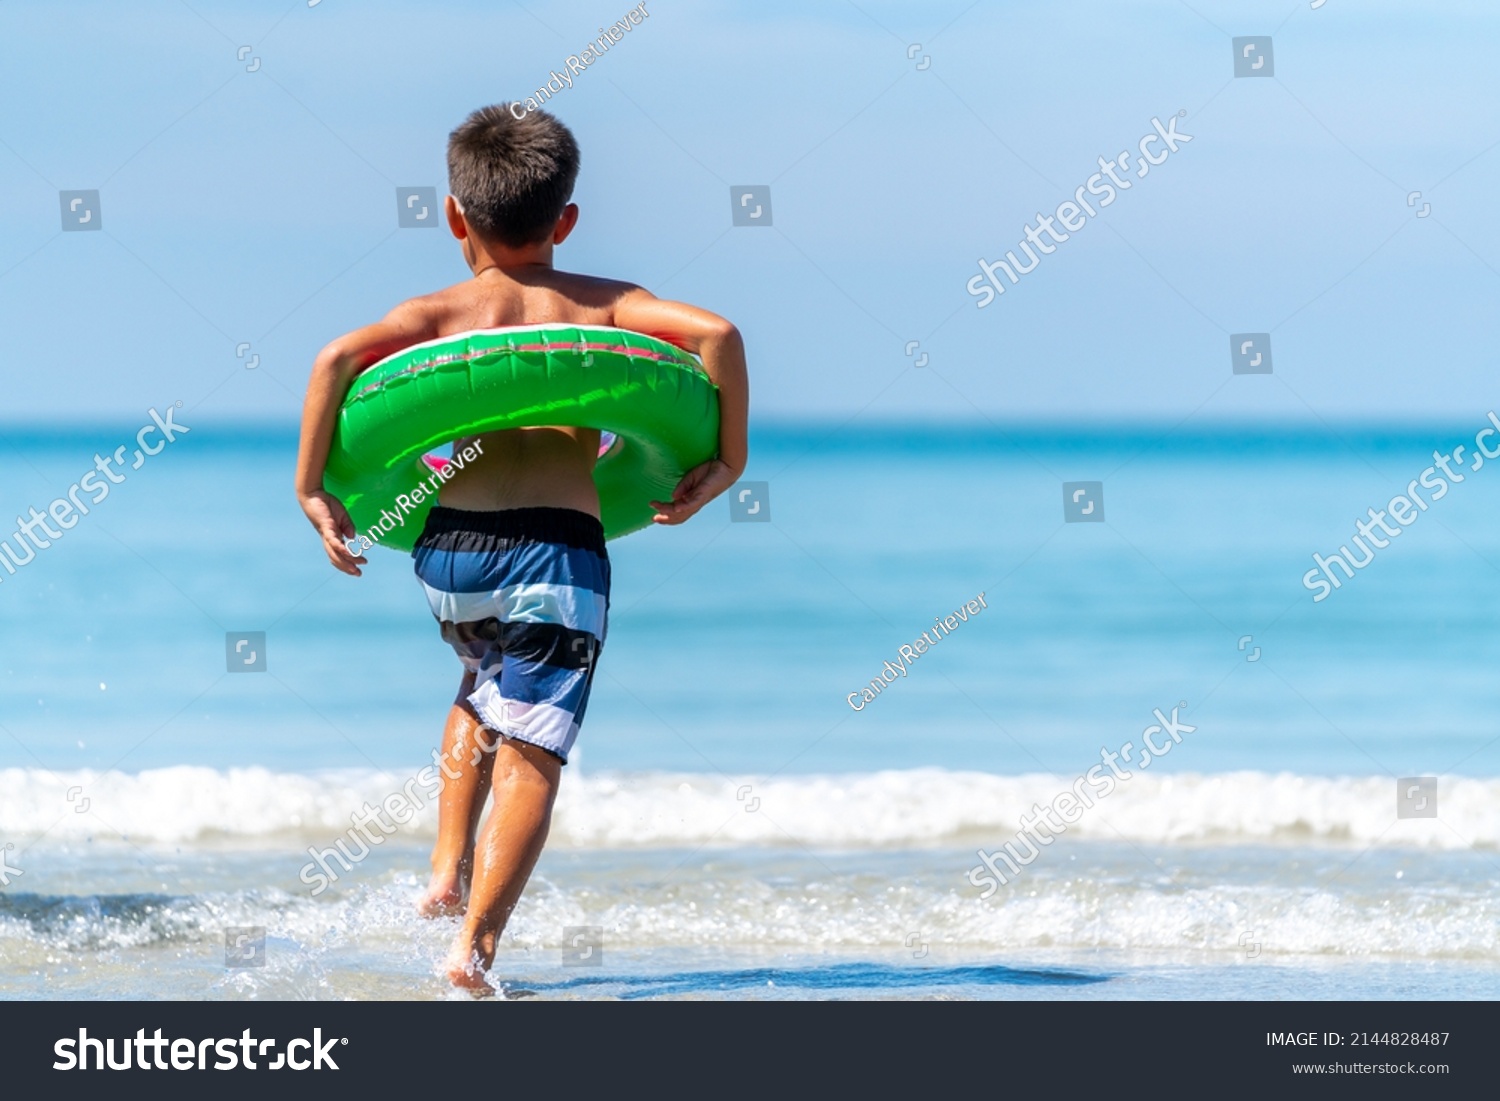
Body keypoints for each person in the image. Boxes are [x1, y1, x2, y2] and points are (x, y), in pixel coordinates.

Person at [293, 104, 748, 993]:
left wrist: (312, 488)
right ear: (566, 221)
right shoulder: (604, 303)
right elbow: (718, 336)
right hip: (557, 549)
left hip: (449, 551)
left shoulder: (435, 312)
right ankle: (475, 948)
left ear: (453, 215)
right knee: (535, 746)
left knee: (479, 687)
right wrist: (727, 457)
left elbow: (336, 360)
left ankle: (442, 868)